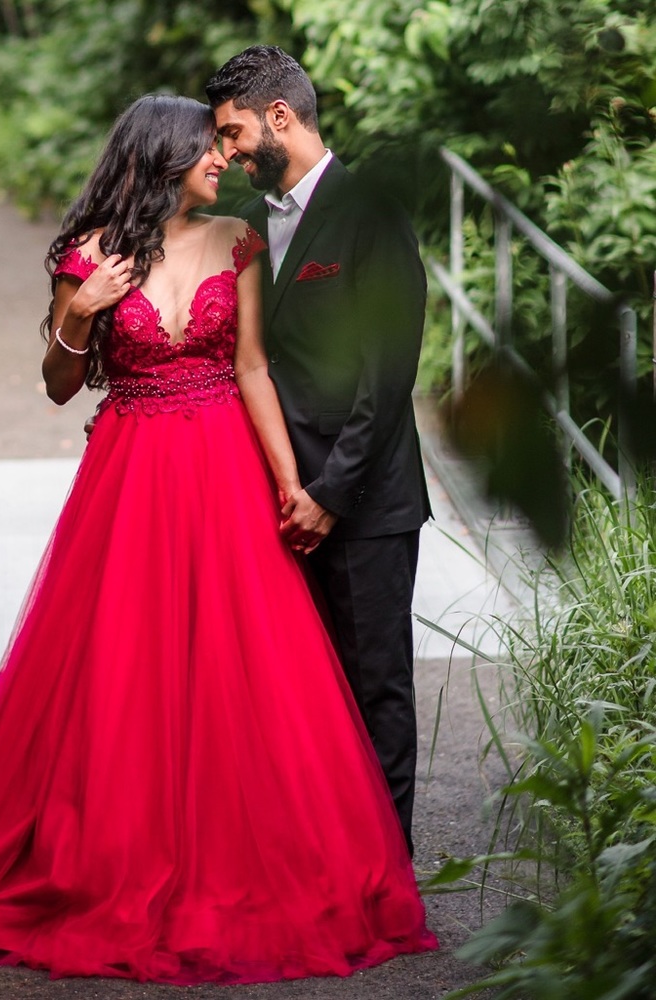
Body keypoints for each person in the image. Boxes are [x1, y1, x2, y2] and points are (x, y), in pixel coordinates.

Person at [0, 94, 436, 984]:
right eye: (207, 148)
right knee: (126, 666)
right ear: (162, 156)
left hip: (226, 469)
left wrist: (294, 485)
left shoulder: (237, 241)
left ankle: (262, 854)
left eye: (224, 144)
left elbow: (251, 367)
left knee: (241, 667)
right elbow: (59, 383)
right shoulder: (87, 254)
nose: (221, 161)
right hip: (131, 476)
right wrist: (82, 312)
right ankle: (114, 850)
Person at [206, 46, 433, 857]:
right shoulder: (245, 220)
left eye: (235, 133)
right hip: (277, 498)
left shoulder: (372, 215)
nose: (229, 152)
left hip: (364, 502)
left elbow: (387, 376)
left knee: (375, 688)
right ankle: (319, 861)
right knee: (301, 692)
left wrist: (330, 494)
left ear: (280, 117)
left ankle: (387, 867)